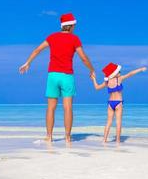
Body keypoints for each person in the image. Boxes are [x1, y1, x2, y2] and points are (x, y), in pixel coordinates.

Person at [19, 13, 95, 143]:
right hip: (67, 76)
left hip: (53, 76)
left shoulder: (52, 37)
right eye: (74, 26)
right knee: (68, 107)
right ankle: (67, 137)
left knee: (51, 107)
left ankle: (49, 137)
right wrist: (91, 69)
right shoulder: (74, 39)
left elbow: (37, 50)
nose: (75, 28)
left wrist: (28, 62)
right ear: (70, 26)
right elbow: (83, 57)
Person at [90, 62, 147, 143]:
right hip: (118, 103)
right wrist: (141, 69)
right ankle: (118, 141)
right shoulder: (119, 79)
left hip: (110, 103)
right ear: (114, 73)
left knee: (108, 122)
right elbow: (130, 74)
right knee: (118, 122)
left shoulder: (107, 82)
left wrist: (94, 79)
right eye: (118, 71)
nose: (120, 73)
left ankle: (104, 140)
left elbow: (97, 87)